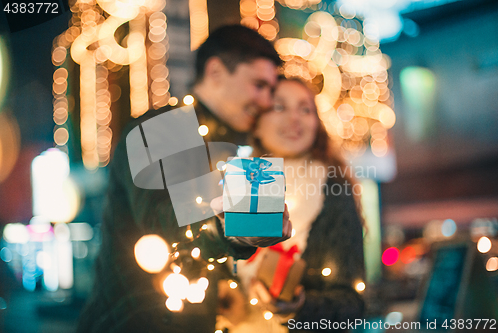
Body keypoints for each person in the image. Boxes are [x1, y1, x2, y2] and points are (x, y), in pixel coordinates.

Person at [76, 25, 292, 333]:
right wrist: (229, 230)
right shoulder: (162, 127)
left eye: (271, 90)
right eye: (259, 85)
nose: (267, 100)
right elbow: (165, 225)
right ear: (215, 71)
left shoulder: (235, 148)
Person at [216, 77, 366, 332]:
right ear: (256, 125)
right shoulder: (235, 180)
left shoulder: (333, 189)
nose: (294, 118)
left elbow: (353, 304)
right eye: (279, 107)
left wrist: (299, 308)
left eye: (305, 109)